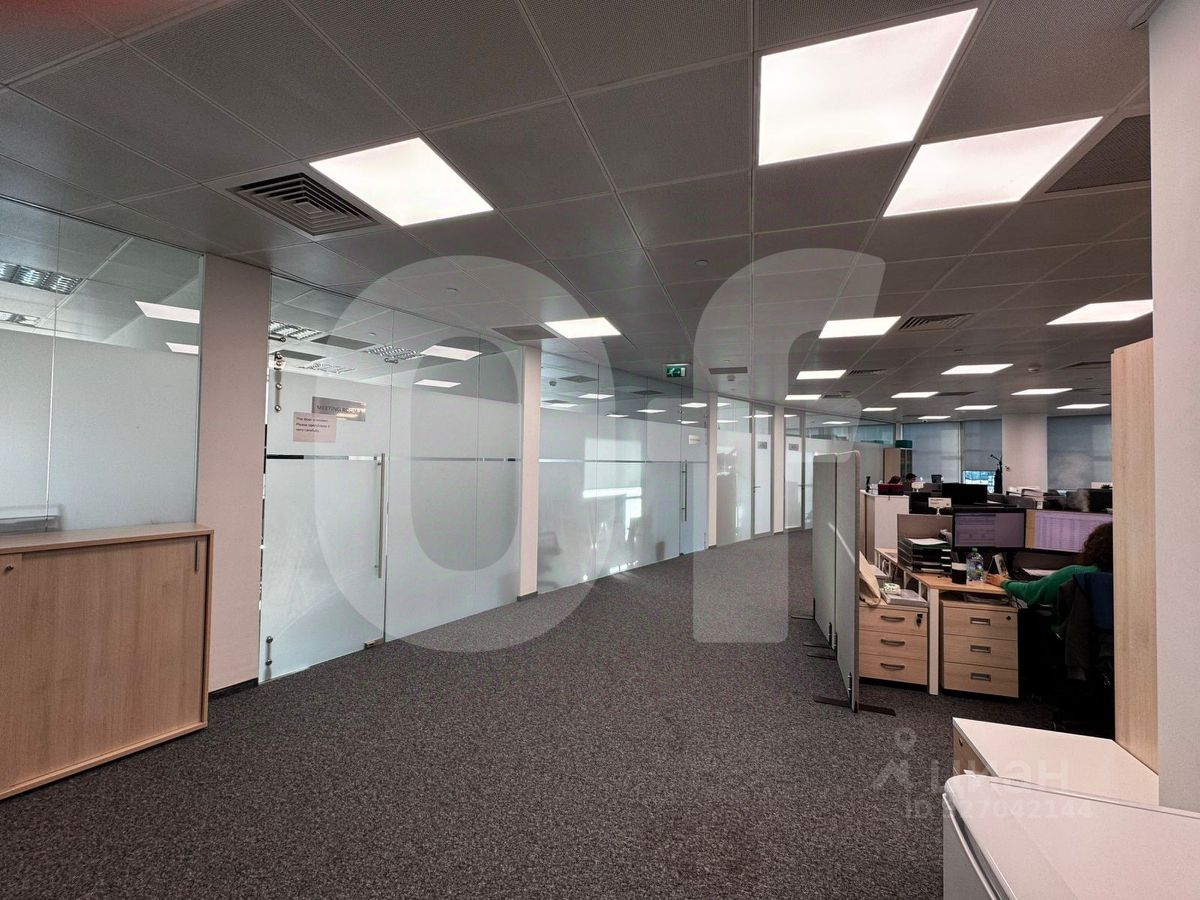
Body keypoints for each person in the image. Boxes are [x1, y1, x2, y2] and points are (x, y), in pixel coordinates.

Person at [985, 521, 1113, 607]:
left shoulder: (1076, 574)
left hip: (1068, 636)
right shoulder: (1121, 580)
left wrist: (1004, 582)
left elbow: (1031, 592)